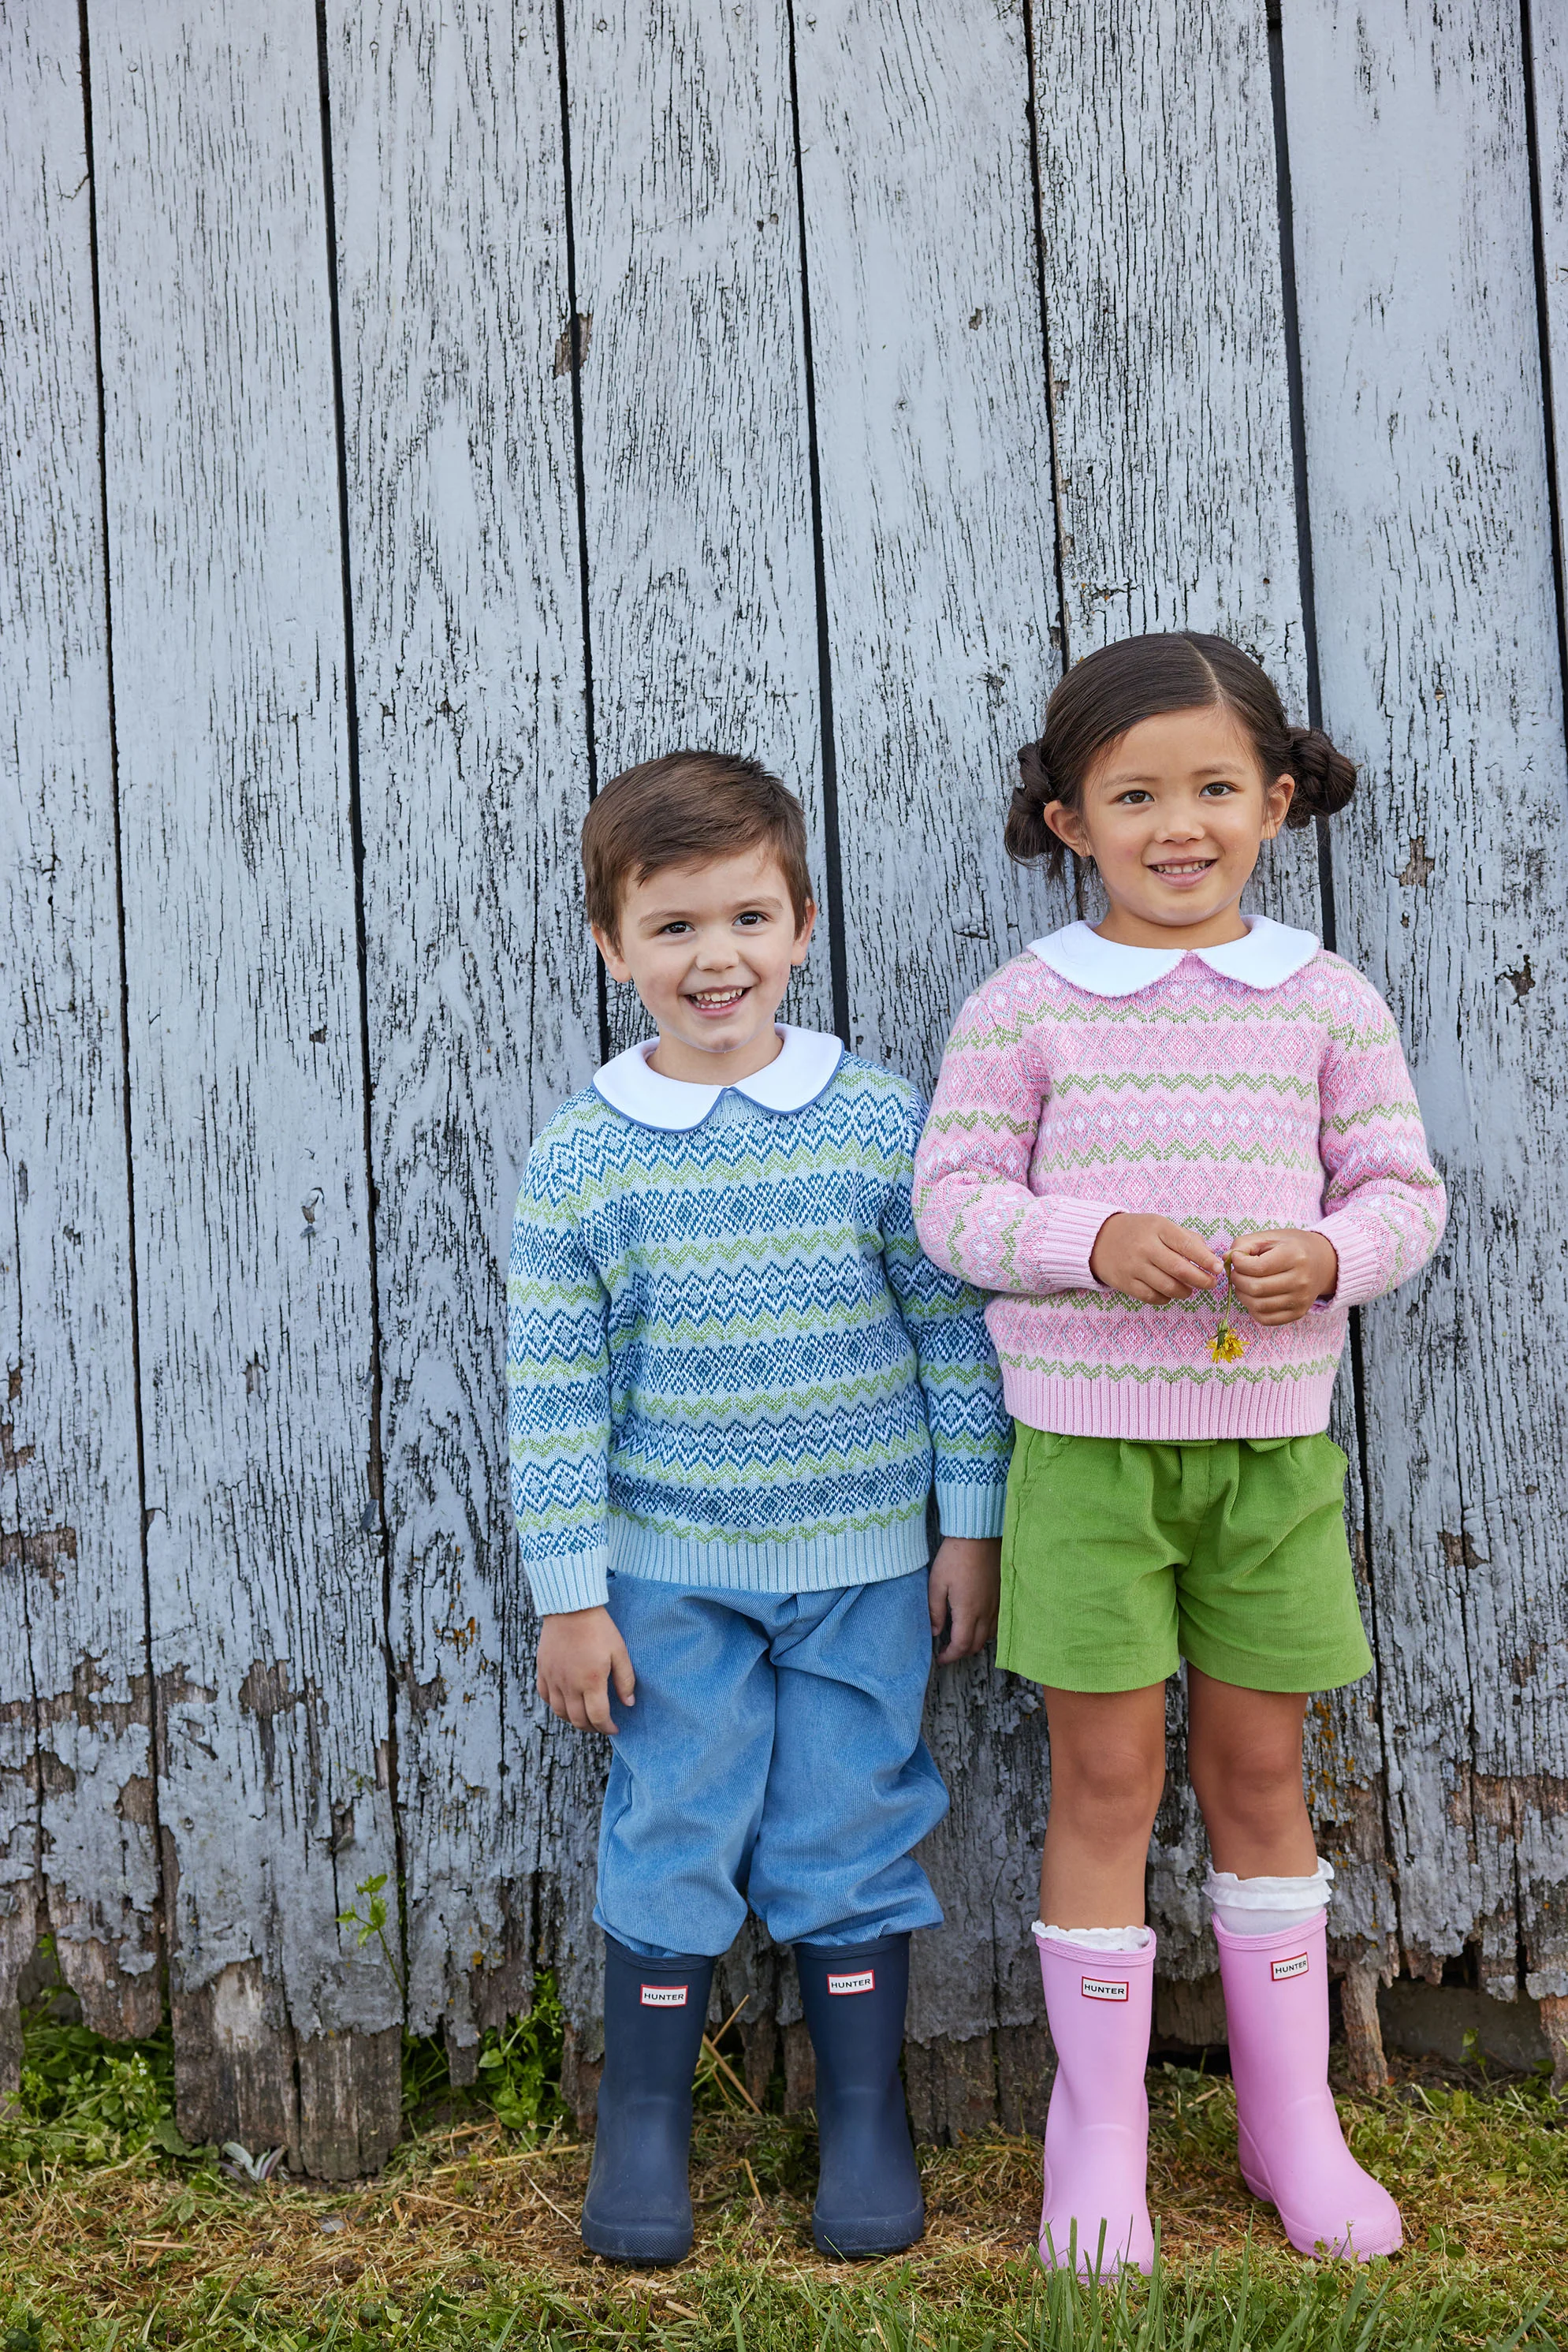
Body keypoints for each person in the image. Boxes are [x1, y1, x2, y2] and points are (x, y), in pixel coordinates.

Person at [913, 632, 1445, 2272]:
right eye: (1133, 795)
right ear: (1070, 820)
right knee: (1103, 1776)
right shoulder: (1024, 1007)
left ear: (1275, 801)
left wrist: (1335, 1258)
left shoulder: (1326, 997)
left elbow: (1402, 1196)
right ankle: (1100, 2131)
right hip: (1082, 1457)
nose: (1177, 825)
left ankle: (1292, 2127)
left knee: (1258, 1773)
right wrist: (1085, 1238)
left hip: (1268, 1461)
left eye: (1214, 788)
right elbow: (950, 1205)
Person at [508, 751, 1011, 2264]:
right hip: (668, 1578)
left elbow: (951, 1328)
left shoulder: (874, 1118)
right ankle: (647, 2121)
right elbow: (553, 1388)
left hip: (866, 1565)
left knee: (849, 1820)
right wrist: (570, 1591)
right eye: (671, 927)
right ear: (612, 946)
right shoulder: (583, 1157)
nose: (712, 956)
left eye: (745, 917)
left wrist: (970, 1524)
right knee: (674, 1820)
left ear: (801, 922)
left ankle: (864, 2117)